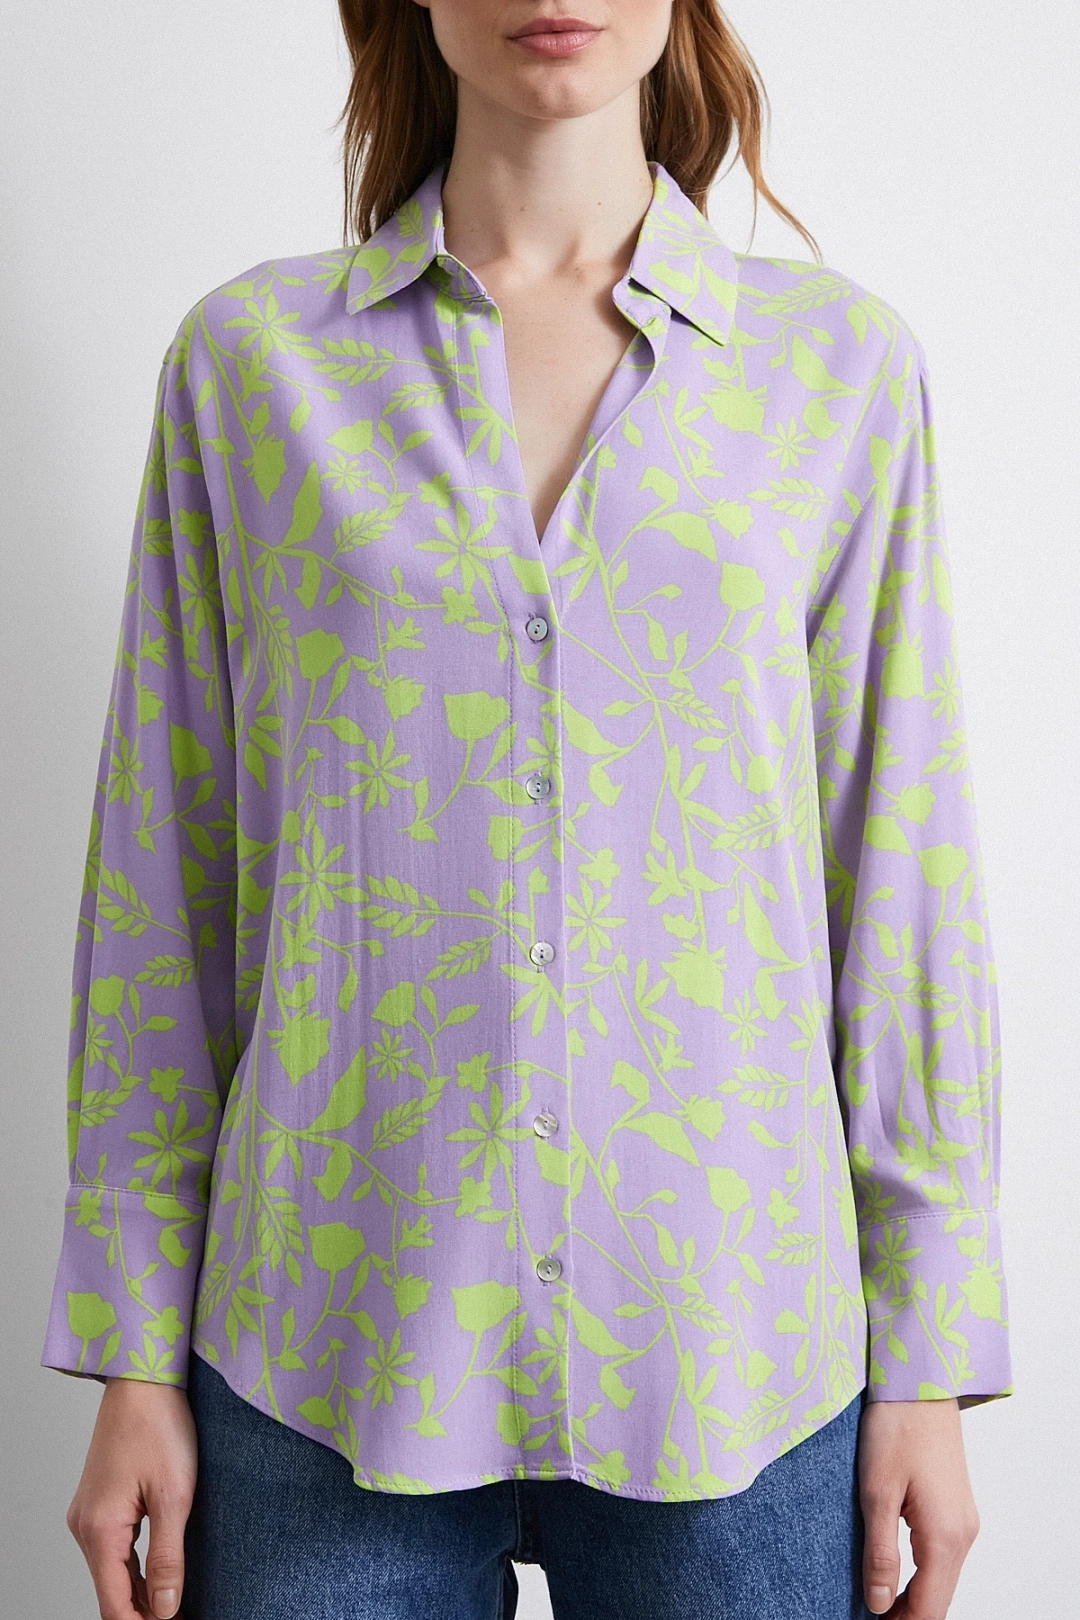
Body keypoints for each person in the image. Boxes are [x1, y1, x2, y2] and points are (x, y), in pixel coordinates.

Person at [42, 2, 1012, 1617]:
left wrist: (927, 1354)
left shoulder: (837, 373)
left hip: (737, 1359)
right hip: (324, 1355)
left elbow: (898, 872)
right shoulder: (251, 368)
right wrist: (132, 1354)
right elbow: (163, 885)